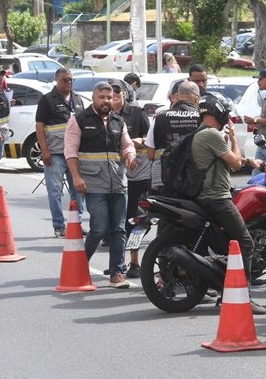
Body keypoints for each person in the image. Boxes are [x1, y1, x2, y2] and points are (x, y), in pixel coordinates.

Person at [190, 93, 266, 314]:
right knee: (246, 243)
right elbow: (235, 164)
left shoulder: (203, 133)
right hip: (216, 197)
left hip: (210, 195)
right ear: (217, 112)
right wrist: (234, 139)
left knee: (229, 244)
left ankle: (226, 287)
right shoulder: (212, 134)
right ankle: (244, 296)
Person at [65, 82, 138, 288]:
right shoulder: (78, 120)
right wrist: (76, 178)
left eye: (110, 97)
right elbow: (70, 152)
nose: (106, 101)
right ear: (93, 98)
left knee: (119, 229)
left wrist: (130, 156)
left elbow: (127, 145)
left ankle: (116, 273)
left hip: (118, 184)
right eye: (102, 97)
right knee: (99, 229)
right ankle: (79, 264)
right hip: (93, 184)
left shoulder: (118, 121)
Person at [35, 68, 84, 237]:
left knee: (78, 190)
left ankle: (76, 223)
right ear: (57, 80)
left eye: (71, 80)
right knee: (55, 191)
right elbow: (39, 126)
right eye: (65, 80)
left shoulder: (77, 99)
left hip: (74, 154)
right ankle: (59, 225)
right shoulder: (47, 100)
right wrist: (44, 150)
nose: (68, 83)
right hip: (55, 153)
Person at [110, 80, 151, 277]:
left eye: (116, 96)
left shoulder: (137, 113)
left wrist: (137, 143)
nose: (113, 100)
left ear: (125, 95)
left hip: (139, 176)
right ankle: (117, 264)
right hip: (114, 176)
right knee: (117, 221)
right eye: (109, 96)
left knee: (136, 219)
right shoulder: (104, 117)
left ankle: (134, 262)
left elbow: (150, 140)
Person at [146, 80, 202, 190]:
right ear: (196, 98)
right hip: (191, 178)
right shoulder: (202, 117)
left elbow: (150, 155)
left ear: (177, 96)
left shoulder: (159, 117)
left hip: (162, 178)